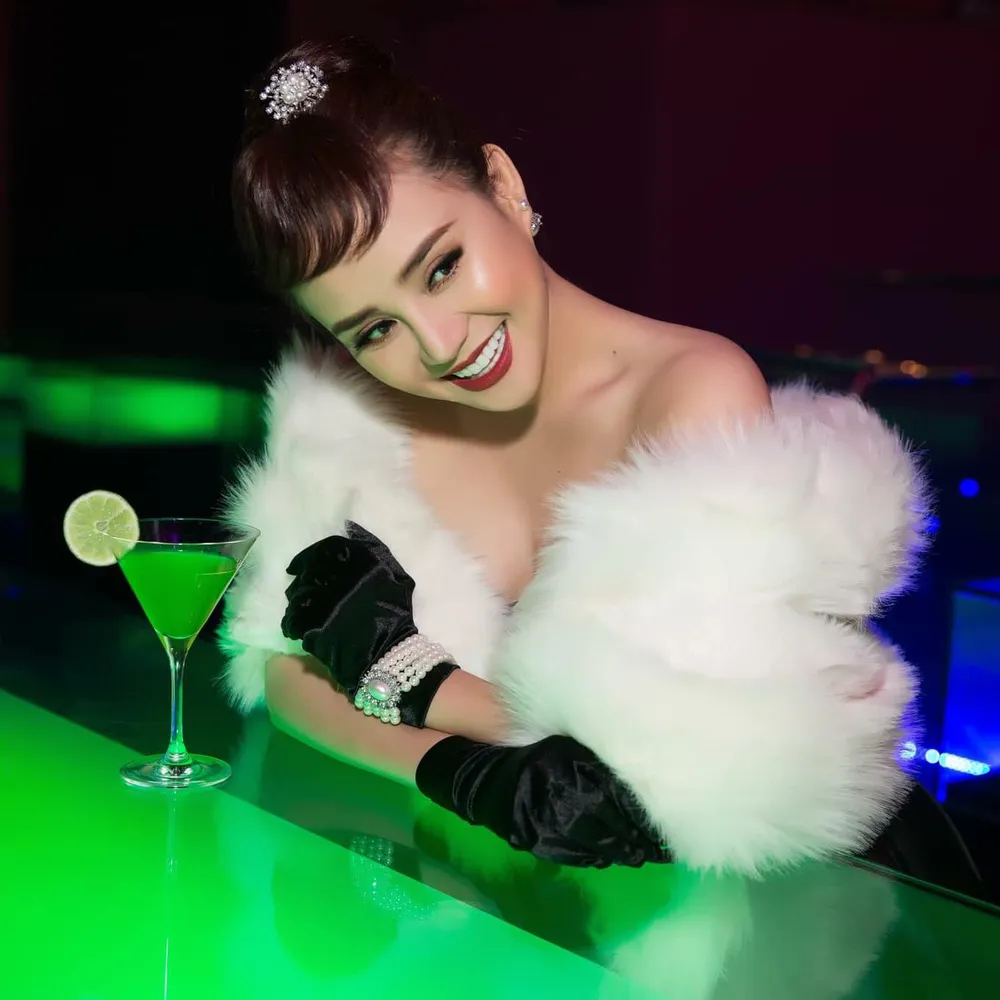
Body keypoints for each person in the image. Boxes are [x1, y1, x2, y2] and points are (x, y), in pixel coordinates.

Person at [219, 37, 939, 876]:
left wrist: (417, 683)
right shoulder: (353, 423)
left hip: (758, 908)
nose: (440, 344)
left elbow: (671, 764)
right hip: (477, 899)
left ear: (504, 186)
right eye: (375, 329)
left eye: (442, 267)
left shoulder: (693, 394)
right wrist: (463, 776)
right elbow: (285, 674)